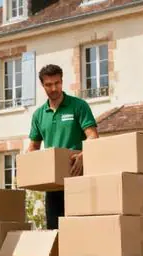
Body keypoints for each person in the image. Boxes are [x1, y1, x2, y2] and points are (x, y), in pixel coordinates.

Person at [26, 64, 99, 230]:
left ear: (62, 81)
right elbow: (33, 148)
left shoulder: (78, 106)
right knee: (55, 232)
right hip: (53, 185)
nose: (54, 88)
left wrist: (84, 154)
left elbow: (93, 137)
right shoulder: (38, 114)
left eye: (57, 83)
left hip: (78, 179)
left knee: (79, 230)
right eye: (49, 85)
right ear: (42, 85)